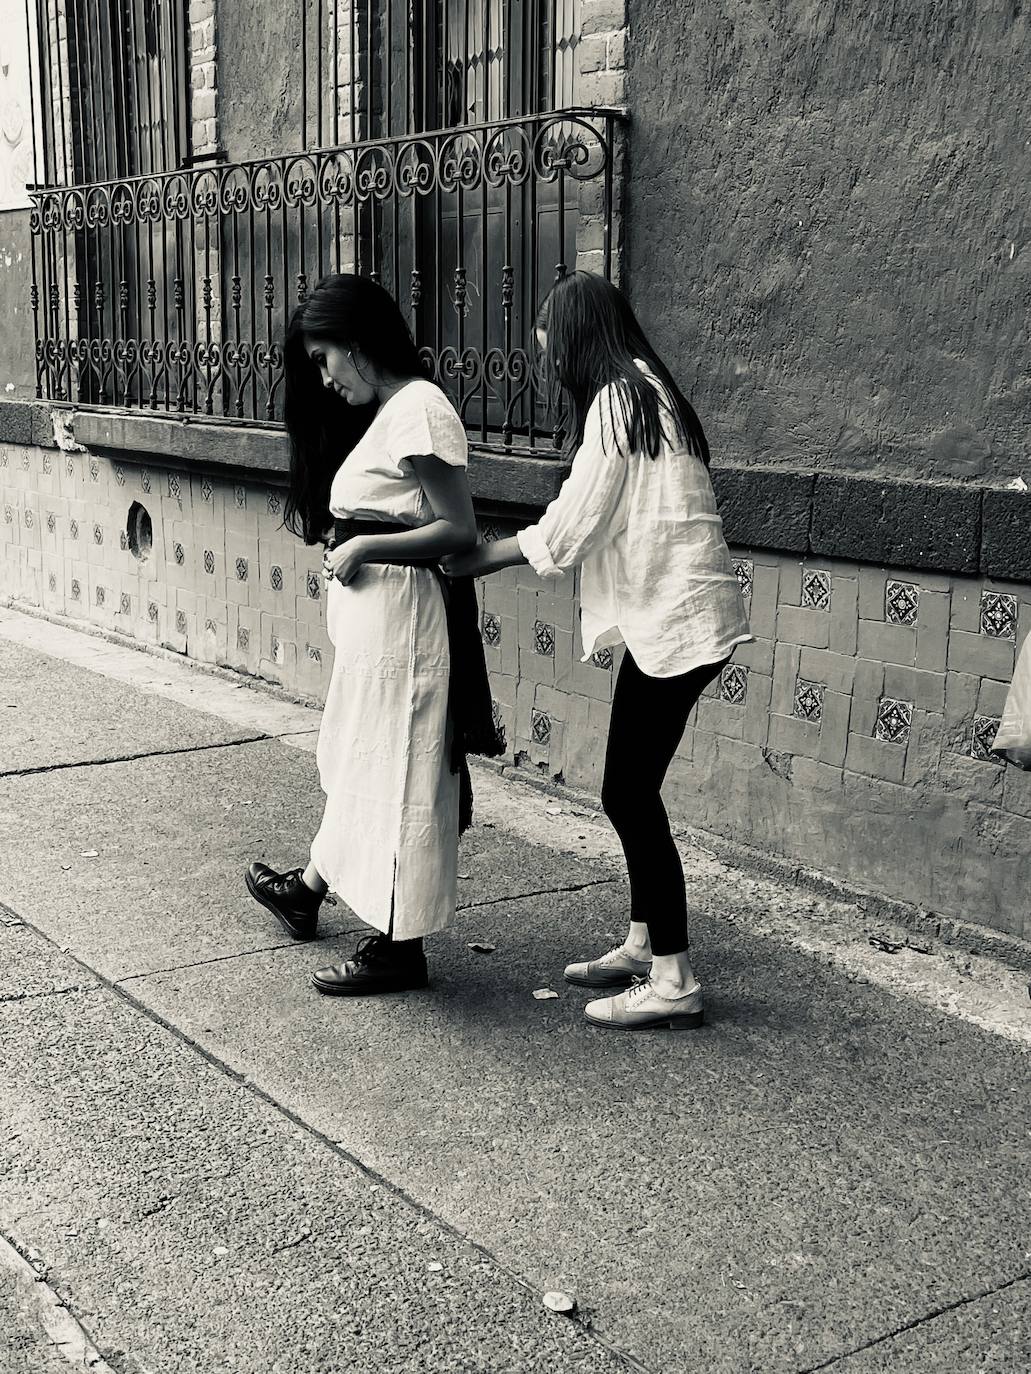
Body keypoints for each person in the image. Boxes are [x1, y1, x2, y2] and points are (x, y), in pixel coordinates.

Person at [445, 271, 752, 1031]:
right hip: (675, 619)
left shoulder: (619, 399)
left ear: (578, 335)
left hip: (677, 622)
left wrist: (477, 556)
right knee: (631, 784)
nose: (547, 359)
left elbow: (574, 522)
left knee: (626, 794)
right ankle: (646, 946)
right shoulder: (647, 388)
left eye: (550, 341)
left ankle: (674, 979)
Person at [246, 273, 499, 995]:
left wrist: (361, 549)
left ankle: (398, 948)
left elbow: (457, 530)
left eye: (325, 358)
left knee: (402, 774)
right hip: (381, 634)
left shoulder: (419, 409)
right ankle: (310, 889)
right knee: (371, 764)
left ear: (357, 346)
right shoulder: (393, 411)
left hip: (409, 630)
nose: (322, 378)